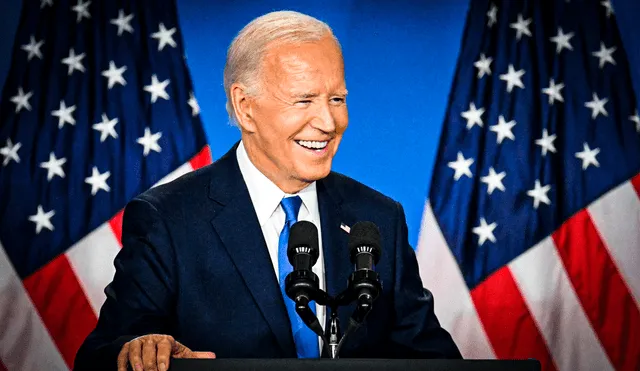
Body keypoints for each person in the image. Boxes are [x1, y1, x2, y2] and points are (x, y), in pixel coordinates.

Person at [73, 10, 461, 371]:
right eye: (304, 100)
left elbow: (433, 356)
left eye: (337, 99)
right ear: (245, 107)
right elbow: (99, 356)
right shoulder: (168, 218)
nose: (328, 122)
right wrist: (141, 349)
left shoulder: (377, 218)